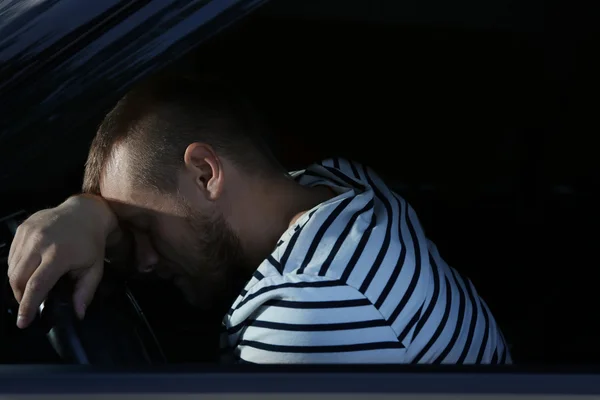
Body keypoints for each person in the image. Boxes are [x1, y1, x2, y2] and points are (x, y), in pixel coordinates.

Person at [7, 75, 511, 364]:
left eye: (141, 228)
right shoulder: (341, 186)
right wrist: (89, 211)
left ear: (205, 173)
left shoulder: (308, 318)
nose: (140, 262)